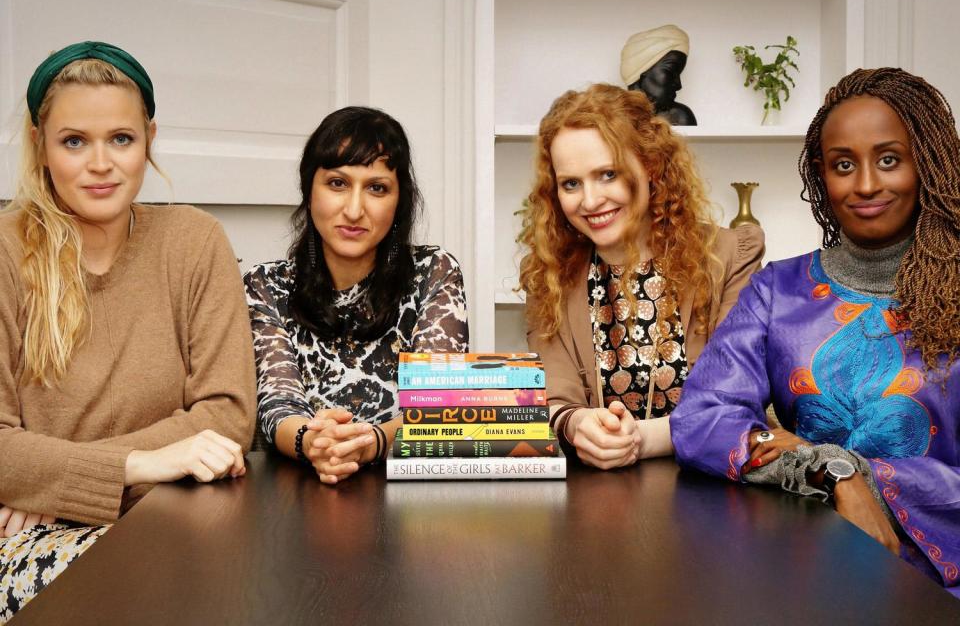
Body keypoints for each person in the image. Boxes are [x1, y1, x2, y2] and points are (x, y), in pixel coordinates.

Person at [670, 68, 960, 598]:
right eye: (844, 165)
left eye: (889, 159)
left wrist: (870, 479)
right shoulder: (778, 291)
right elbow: (701, 418)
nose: (867, 183)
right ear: (821, 177)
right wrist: (827, 468)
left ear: (930, 165)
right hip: (809, 573)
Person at [0, 41, 256, 621]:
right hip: (29, 541)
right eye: (74, 141)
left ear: (149, 139)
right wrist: (141, 465)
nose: (100, 164)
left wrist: (47, 483)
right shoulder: (5, 251)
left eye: (121, 138)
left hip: (173, 522)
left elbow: (225, 416)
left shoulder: (195, 241)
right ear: (41, 147)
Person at [520, 83, 764, 470]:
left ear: (649, 166)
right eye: (571, 183)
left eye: (607, 174)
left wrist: (641, 440)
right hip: (594, 502)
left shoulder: (729, 257)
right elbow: (554, 398)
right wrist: (579, 425)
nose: (589, 200)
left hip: (713, 490)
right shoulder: (548, 275)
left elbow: (736, 396)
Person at [244, 106, 468, 485]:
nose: (353, 209)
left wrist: (372, 442)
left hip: (410, 495)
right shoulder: (266, 283)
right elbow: (277, 404)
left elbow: (439, 406)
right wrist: (312, 441)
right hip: (296, 494)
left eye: (376, 188)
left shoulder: (434, 272)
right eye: (337, 183)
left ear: (399, 201)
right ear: (308, 189)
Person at [620, 25, 697, 125]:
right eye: (670, 73)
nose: (678, 85)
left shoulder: (678, 116)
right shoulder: (613, 118)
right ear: (642, 75)